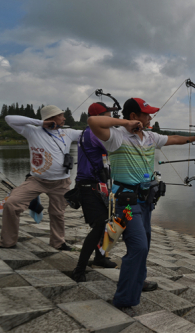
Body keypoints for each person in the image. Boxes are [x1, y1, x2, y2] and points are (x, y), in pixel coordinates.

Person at [88, 97, 195, 310]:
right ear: (134, 116)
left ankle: (138, 282)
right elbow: (93, 122)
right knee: (139, 247)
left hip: (146, 201)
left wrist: (194, 138)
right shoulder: (116, 137)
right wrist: (125, 124)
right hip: (127, 204)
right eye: (146, 114)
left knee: (145, 245)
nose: (150, 117)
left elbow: (174, 139)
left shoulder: (151, 136)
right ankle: (124, 298)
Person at [0, 105, 82, 250]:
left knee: (57, 213)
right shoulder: (32, 131)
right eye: (61, 115)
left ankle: (58, 242)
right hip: (36, 180)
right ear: (52, 118)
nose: (64, 118)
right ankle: (8, 242)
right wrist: (39, 123)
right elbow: (8, 119)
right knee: (11, 204)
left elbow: (92, 133)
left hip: (61, 183)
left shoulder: (68, 133)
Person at [72, 102, 118, 282]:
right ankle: (79, 268)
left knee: (106, 223)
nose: (112, 118)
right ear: (99, 117)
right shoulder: (94, 133)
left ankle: (100, 258)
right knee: (99, 225)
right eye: (108, 114)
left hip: (97, 184)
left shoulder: (88, 131)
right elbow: (115, 148)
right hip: (89, 185)